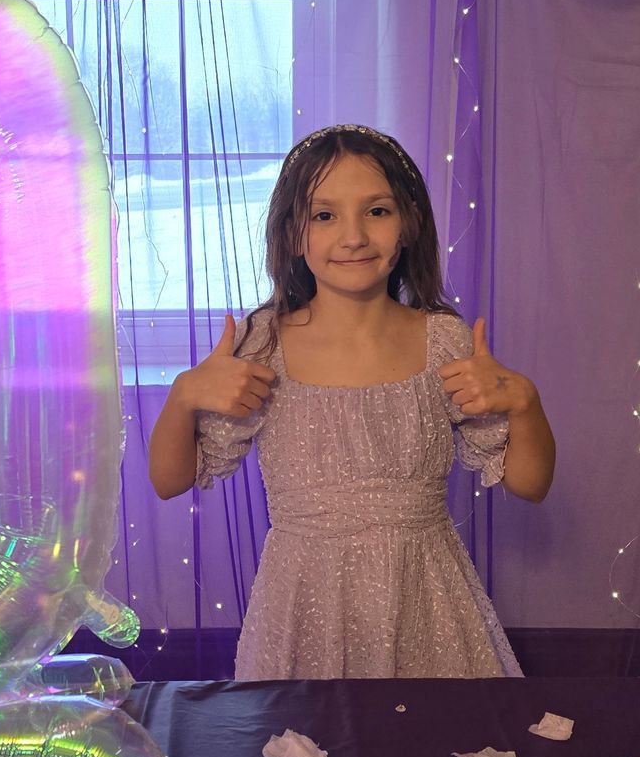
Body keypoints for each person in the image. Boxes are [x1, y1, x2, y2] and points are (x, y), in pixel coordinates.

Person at [149, 124, 555, 678]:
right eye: (325, 215)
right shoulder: (262, 344)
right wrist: (183, 397)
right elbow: (170, 480)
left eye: (377, 211)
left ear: (409, 223)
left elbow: (530, 485)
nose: (354, 236)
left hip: (426, 601)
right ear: (294, 234)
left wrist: (525, 402)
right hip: (301, 605)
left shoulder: (446, 340)